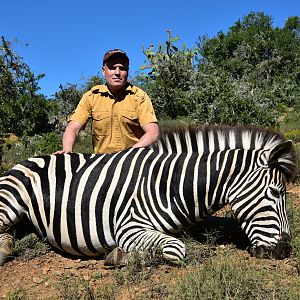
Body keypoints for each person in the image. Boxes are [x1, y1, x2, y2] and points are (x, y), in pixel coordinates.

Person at [56, 49, 159, 154]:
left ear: (127, 71)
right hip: (103, 163)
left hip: (133, 160)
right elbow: (73, 127)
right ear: (103, 71)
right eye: (112, 68)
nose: (117, 73)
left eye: (122, 68)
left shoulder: (140, 97)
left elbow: (153, 133)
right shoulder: (91, 97)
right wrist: (67, 150)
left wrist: (129, 153)